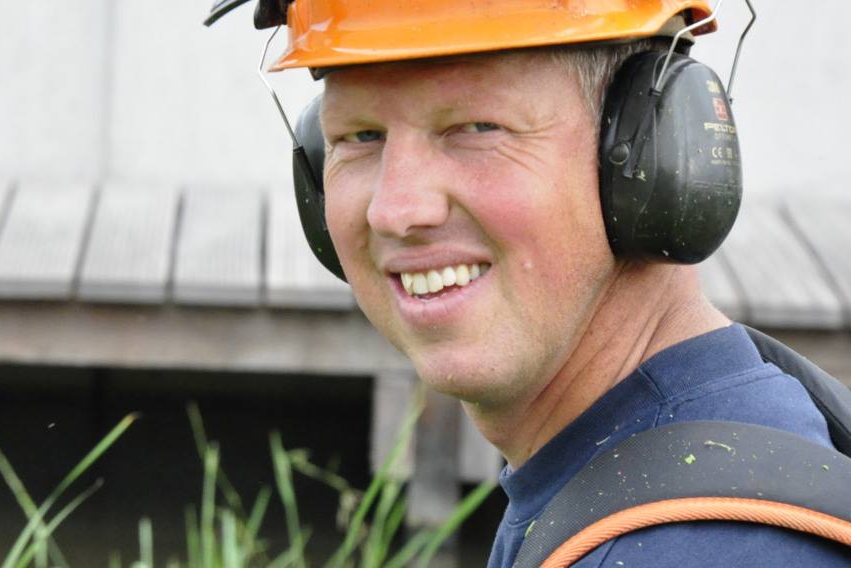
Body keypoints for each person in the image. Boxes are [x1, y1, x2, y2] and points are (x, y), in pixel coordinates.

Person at [207, 1, 851, 566]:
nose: (395, 211)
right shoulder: (745, 431)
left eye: (477, 128)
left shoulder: (693, 549)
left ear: (650, 155)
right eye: (361, 136)